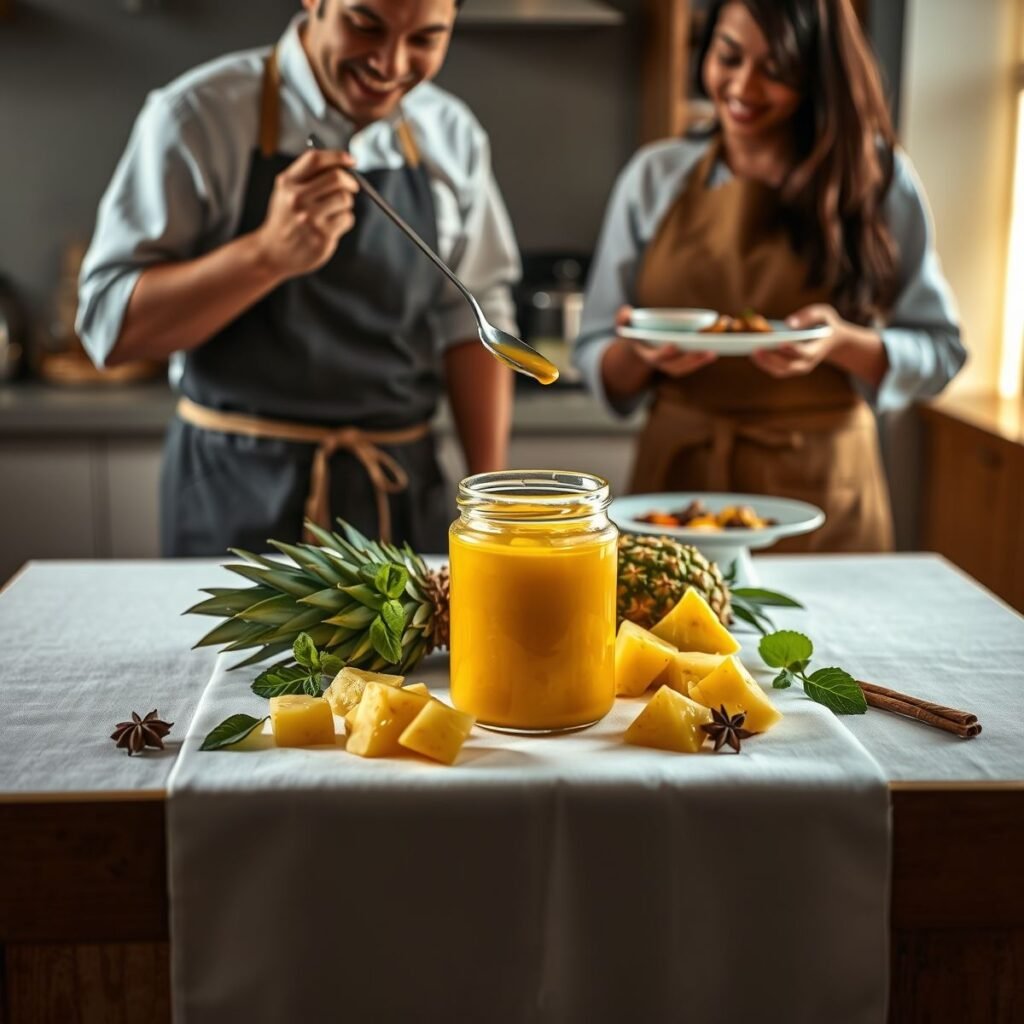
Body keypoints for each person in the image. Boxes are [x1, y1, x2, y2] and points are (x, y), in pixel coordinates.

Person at [78, 0, 519, 556]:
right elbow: (109, 330)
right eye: (366, 25)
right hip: (234, 497)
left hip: (399, 493)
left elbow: (474, 317)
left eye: (426, 39)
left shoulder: (450, 133)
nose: (389, 63)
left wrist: (492, 508)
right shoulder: (198, 115)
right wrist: (267, 255)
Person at [574, 0, 964, 552]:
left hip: (825, 495)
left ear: (817, 74)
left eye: (776, 70)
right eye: (728, 57)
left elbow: (941, 352)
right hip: (676, 491)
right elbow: (596, 350)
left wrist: (839, 344)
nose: (743, 86)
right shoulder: (655, 176)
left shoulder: (877, 180)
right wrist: (643, 354)